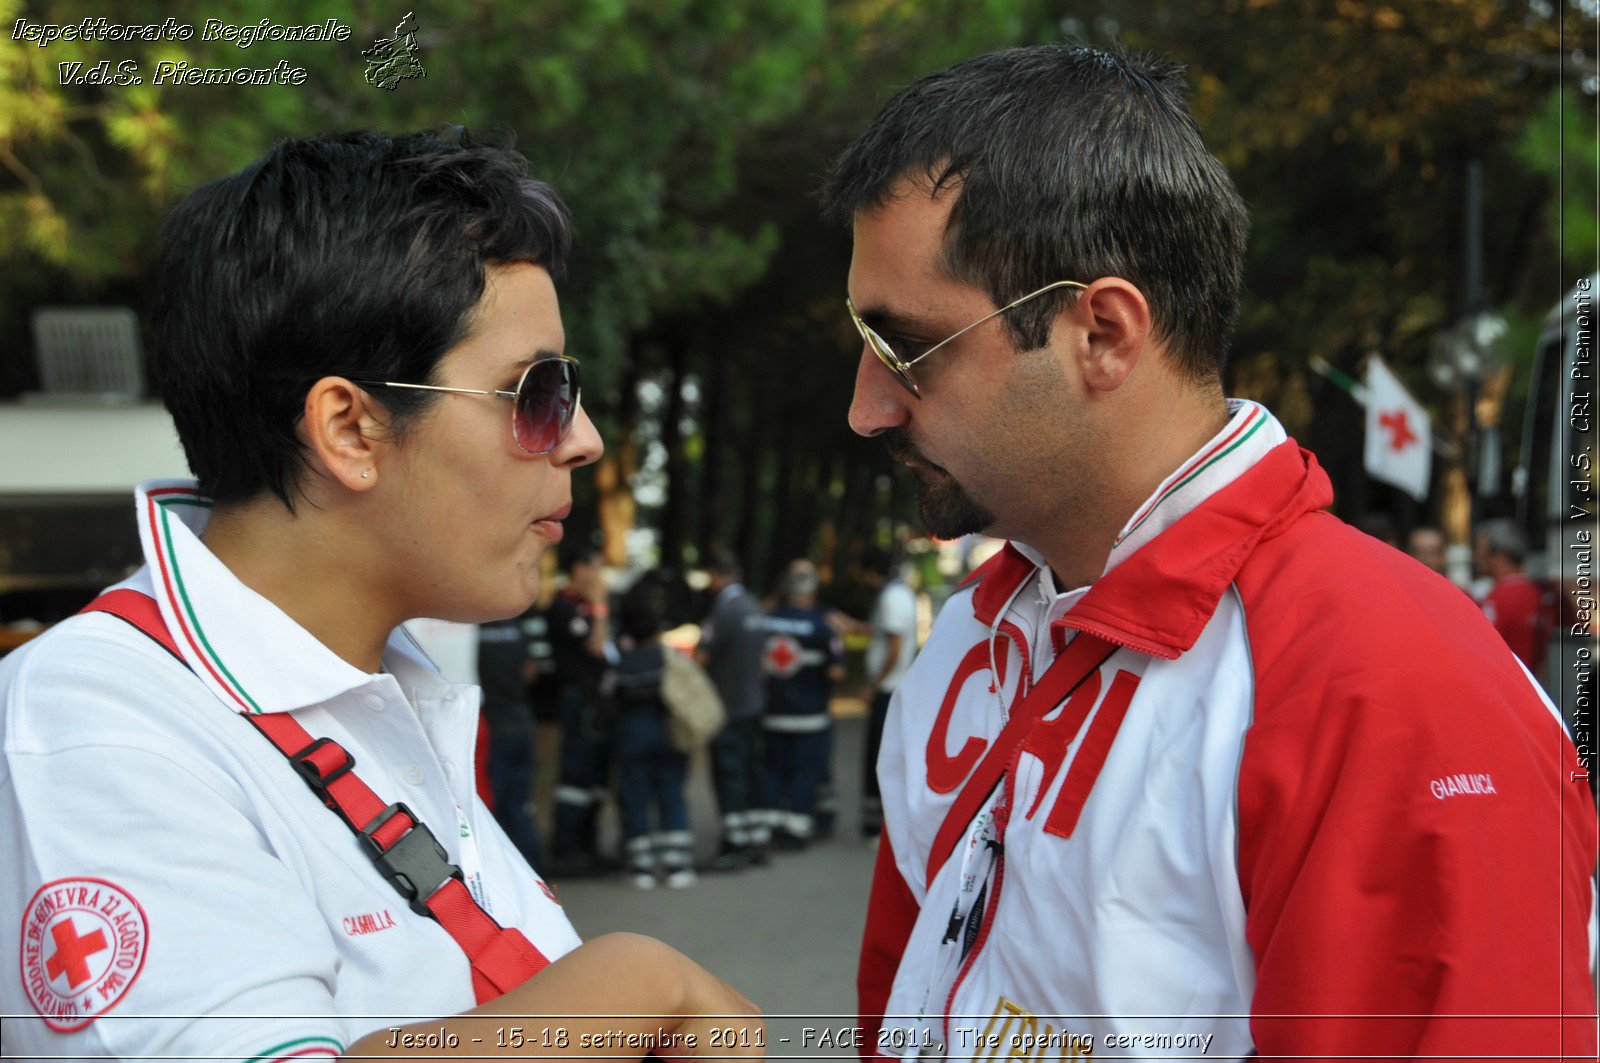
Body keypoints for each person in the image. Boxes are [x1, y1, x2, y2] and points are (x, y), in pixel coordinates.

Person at [821, 45, 1596, 1061]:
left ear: (1101, 332)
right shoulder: (968, 640)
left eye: (907, 350)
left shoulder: (1383, 686)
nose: (865, 408)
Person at [0, 130, 760, 1059]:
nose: (584, 438)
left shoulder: (386, 686)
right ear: (351, 428)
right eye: (537, 391)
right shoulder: (100, 725)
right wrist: (640, 982)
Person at [605, 578, 696, 890]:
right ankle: (677, 864)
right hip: (669, 737)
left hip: (633, 739)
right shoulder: (670, 660)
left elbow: (610, 699)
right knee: (671, 795)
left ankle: (641, 867)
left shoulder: (623, 665)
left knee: (635, 798)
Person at [759, 560, 845, 850]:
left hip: (773, 713)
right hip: (810, 716)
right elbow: (836, 672)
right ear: (812, 590)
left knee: (773, 769)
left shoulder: (766, 621)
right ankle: (796, 829)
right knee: (804, 771)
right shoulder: (822, 627)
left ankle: (770, 825)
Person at [697, 548, 770, 869]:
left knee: (728, 775)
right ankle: (755, 838)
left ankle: (734, 842)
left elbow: (703, 654)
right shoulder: (753, 606)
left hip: (726, 705)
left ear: (715, 574)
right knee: (750, 772)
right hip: (753, 703)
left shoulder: (723, 610)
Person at [545, 546, 614, 876]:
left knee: (595, 779)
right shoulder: (563, 606)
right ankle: (565, 850)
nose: (599, 578)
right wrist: (600, 607)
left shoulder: (589, 607)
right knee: (575, 777)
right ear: (578, 569)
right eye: (595, 569)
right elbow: (596, 645)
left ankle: (589, 846)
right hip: (577, 700)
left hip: (598, 701)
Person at [856, 548, 918, 840]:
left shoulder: (891, 598)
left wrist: (874, 682)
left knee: (879, 757)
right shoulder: (902, 593)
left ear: (871, 572)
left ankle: (877, 827)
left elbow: (895, 645)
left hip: (888, 688)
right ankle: (881, 824)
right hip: (895, 685)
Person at [476, 607, 543, 866]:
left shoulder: (472, 629)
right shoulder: (518, 627)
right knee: (520, 806)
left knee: (493, 806)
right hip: (521, 721)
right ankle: (533, 870)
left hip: (492, 724)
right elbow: (530, 672)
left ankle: (502, 870)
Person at [1473, 517, 1552, 674]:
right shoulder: (1538, 595)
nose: (1475, 558)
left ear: (1500, 556)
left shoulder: (1498, 599)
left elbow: (1480, 649)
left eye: (1480, 551)